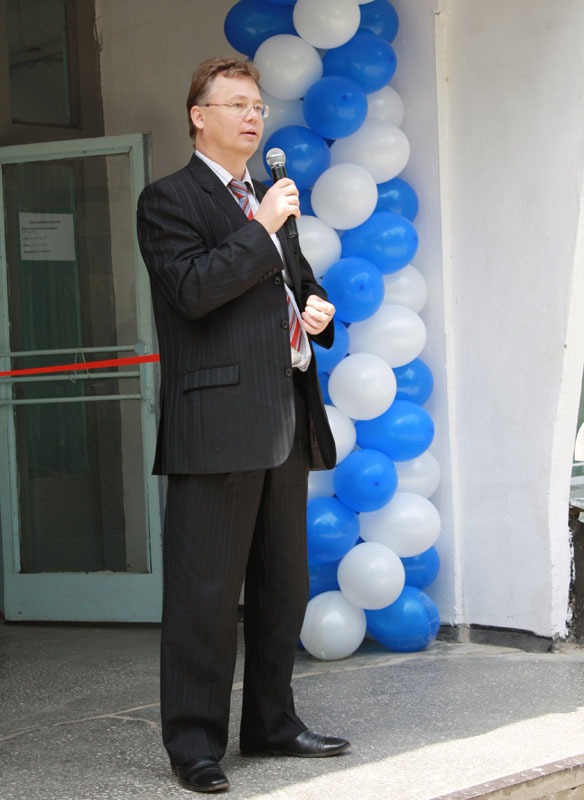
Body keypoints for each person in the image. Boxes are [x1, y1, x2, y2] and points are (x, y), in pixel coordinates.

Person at [137, 57, 349, 794]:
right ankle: (194, 744)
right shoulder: (168, 200)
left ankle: (272, 721)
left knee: (282, 586)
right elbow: (194, 290)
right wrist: (261, 227)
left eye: (257, 105)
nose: (253, 116)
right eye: (236, 104)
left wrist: (316, 311)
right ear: (199, 117)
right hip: (217, 423)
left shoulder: (265, 198)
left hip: (284, 414)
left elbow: (293, 283)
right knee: (204, 595)